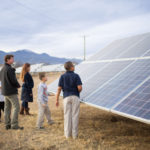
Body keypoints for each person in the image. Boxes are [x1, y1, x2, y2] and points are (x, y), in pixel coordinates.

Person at [56, 61, 82, 139]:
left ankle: (67, 135)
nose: (74, 67)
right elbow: (79, 88)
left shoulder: (62, 76)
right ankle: (74, 135)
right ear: (71, 67)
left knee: (67, 116)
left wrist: (57, 99)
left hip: (66, 97)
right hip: (75, 97)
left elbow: (59, 89)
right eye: (73, 66)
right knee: (75, 115)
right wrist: (77, 92)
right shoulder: (76, 76)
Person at [0, 55, 23, 130]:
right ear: (8, 59)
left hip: (5, 92)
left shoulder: (2, 68)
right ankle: (14, 125)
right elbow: (13, 80)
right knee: (16, 107)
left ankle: (7, 124)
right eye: (12, 59)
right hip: (11, 92)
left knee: (7, 108)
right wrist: (18, 85)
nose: (13, 60)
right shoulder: (10, 69)